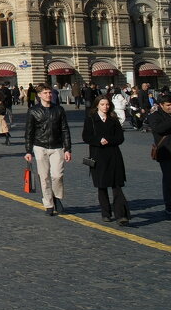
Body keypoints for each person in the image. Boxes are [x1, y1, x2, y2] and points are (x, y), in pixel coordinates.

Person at [24, 84, 73, 216]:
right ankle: (48, 204)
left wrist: (67, 149)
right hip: (40, 146)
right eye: (45, 93)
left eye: (50, 92)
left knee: (57, 175)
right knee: (44, 177)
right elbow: (29, 132)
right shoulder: (33, 111)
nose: (48, 95)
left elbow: (65, 129)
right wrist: (28, 151)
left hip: (57, 146)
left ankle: (56, 196)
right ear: (39, 95)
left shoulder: (59, 109)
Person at [82, 96, 129, 225]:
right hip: (98, 155)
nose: (105, 107)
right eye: (102, 104)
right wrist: (98, 140)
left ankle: (121, 215)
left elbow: (120, 138)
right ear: (97, 105)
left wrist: (109, 140)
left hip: (114, 155)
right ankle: (106, 213)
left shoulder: (114, 119)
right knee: (102, 186)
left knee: (117, 185)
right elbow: (86, 137)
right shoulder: (91, 119)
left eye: (107, 104)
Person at [149, 93, 171, 220]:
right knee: (169, 179)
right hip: (165, 152)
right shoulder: (154, 116)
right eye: (168, 105)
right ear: (161, 105)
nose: (170, 107)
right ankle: (169, 205)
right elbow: (159, 129)